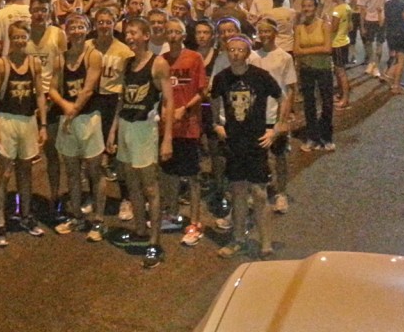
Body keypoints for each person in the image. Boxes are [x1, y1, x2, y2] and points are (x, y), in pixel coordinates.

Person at [107, 17, 174, 269]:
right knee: (131, 183)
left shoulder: (158, 64)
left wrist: (167, 138)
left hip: (145, 130)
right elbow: (122, 101)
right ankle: (139, 229)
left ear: (146, 35)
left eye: (134, 32)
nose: (130, 37)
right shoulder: (127, 64)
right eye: (127, 33)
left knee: (150, 188)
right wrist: (113, 131)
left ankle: (155, 241)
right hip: (126, 127)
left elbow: (169, 102)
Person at [211, 36, 284, 259]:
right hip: (234, 142)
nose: (235, 53)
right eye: (231, 49)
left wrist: (277, 127)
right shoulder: (222, 78)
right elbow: (213, 100)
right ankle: (238, 239)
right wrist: (216, 123)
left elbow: (283, 96)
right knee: (238, 191)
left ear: (247, 52)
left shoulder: (260, 77)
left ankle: (266, 241)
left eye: (240, 49)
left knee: (259, 193)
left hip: (256, 141)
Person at [0, 22, 49, 247]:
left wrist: (43, 125)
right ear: (9, 39)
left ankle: (25, 215)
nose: (20, 41)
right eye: (16, 37)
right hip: (7, 120)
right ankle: (1, 222)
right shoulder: (2, 64)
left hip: (28, 121)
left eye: (23, 37)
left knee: (26, 171)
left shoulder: (34, 63)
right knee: (4, 173)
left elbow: (40, 95)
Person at [50, 15, 108, 241]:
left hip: (88, 118)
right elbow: (53, 88)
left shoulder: (93, 55)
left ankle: (99, 220)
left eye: (81, 26)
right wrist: (66, 107)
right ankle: (76, 216)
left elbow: (89, 88)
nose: (77, 30)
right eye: (73, 26)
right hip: (69, 119)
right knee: (72, 172)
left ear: (88, 30)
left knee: (95, 171)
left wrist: (72, 111)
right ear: (66, 31)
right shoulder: (60, 58)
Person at [158, 19, 208, 247]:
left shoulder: (194, 58)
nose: (173, 35)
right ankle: (173, 213)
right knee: (169, 172)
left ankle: (196, 221)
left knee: (192, 174)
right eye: (169, 32)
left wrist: (184, 108)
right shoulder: (162, 60)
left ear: (183, 34)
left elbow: (202, 91)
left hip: (189, 124)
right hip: (168, 126)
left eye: (177, 32)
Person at [90, 7, 135, 218]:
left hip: (113, 101)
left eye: (108, 21)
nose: (104, 25)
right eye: (100, 21)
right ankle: (95, 195)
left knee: (117, 154)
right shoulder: (89, 46)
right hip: (92, 100)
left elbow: (127, 83)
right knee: (93, 154)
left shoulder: (124, 51)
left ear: (114, 23)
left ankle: (126, 198)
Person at [26, 0, 67, 220]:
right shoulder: (24, 35)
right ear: (29, 11)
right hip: (27, 98)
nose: (39, 14)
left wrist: (53, 98)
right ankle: (26, 197)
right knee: (26, 154)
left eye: (43, 9)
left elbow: (60, 69)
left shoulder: (57, 35)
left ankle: (54, 195)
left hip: (50, 98)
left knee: (51, 151)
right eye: (36, 9)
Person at [254, 19, 297, 214]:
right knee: (259, 156)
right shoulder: (252, 56)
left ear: (275, 33)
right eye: (260, 31)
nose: (263, 35)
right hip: (256, 114)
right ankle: (259, 192)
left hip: (276, 113)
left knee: (280, 156)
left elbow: (290, 89)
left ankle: (281, 193)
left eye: (267, 31)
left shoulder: (284, 57)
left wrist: (284, 118)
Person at [293, 0, 334, 151]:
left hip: (323, 69)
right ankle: (312, 136)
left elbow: (328, 49)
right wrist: (309, 51)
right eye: (304, 6)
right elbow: (296, 51)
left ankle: (326, 136)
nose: (307, 9)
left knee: (326, 102)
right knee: (309, 104)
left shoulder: (324, 25)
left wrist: (305, 51)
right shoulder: (299, 28)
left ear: (316, 8)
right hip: (306, 69)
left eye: (310, 6)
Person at [358, 0, 388, 78]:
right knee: (369, 43)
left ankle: (376, 66)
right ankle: (371, 63)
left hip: (381, 19)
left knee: (379, 43)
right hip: (368, 19)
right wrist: (362, 26)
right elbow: (362, 10)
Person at [328, 0, 353, 110]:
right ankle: (341, 94)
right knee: (339, 70)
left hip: (337, 43)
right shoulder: (347, 7)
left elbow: (333, 28)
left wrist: (326, 24)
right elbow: (350, 26)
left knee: (341, 71)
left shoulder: (337, 9)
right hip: (345, 41)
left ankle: (345, 99)